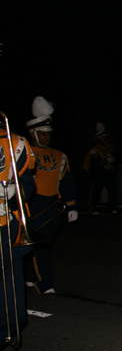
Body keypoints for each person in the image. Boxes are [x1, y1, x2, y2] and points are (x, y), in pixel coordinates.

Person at [23, 97, 79, 295]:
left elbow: (66, 181)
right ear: (33, 133)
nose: (47, 137)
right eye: (43, 134)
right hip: (32, 204)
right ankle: (44, 282)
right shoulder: (24, 152)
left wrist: (71, 206)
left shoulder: (60, 155)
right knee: (40, 247)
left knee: (45, 244)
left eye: (49, 134)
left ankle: (30, 275)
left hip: (53, 206)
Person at [1, 114, 36, 349]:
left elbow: (28, 184)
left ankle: (7, 329)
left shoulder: (16, 143)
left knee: (14, 311)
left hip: (5, 225)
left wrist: (13, 192)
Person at [82, 123, 118, 215]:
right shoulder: (94, 150)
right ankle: (93, 208)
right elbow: (94, 164)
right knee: (96, 191)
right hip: (98, 174)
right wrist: (105, 161)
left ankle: (112, 207)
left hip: (108, 173)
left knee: (112, 191)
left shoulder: (108, 148)